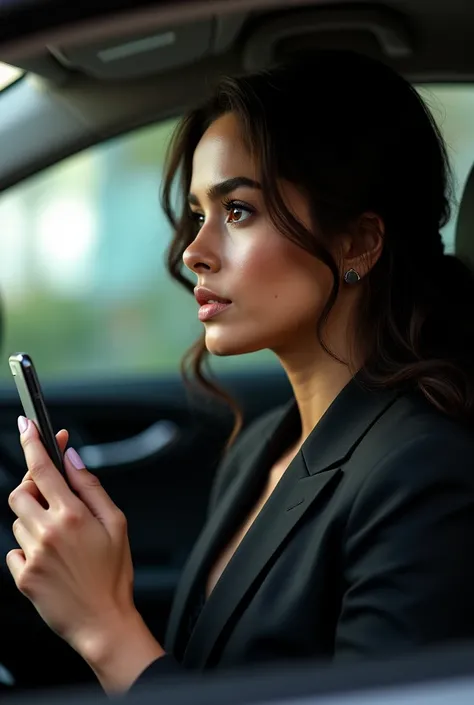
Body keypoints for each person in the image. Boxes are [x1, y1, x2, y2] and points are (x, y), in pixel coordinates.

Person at [6, 50, 474, 695]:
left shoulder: (425, 474)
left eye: (238, 211)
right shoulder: (262, 444)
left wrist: (105, 626)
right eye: (200, 214)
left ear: (359, 243)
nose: (195, 252)